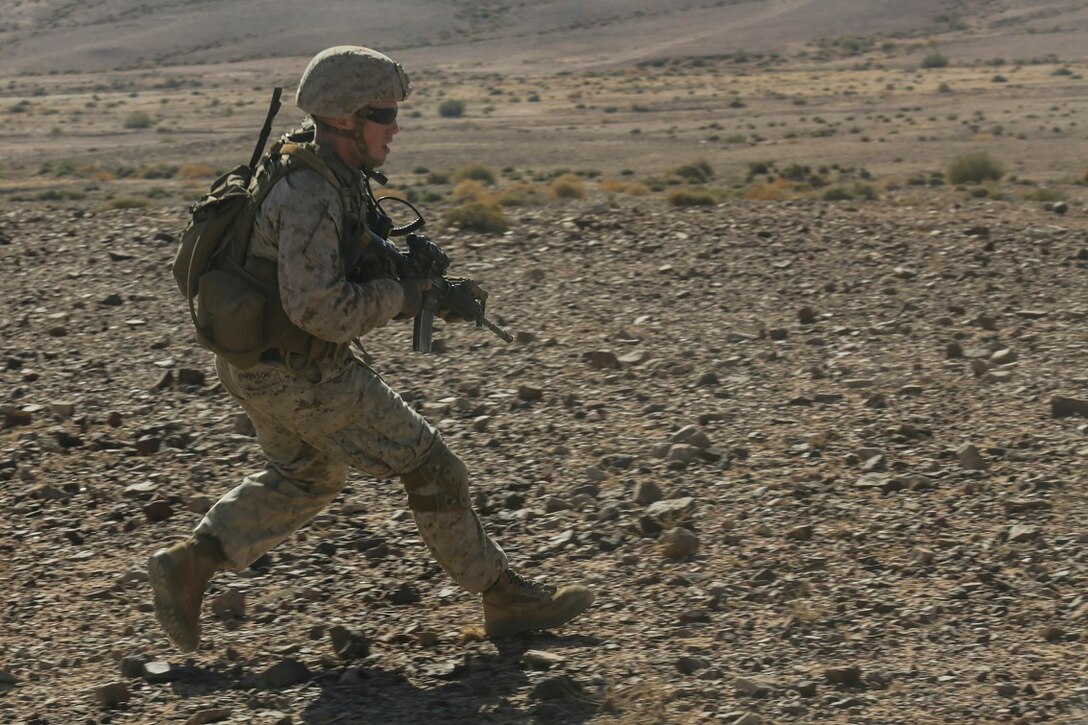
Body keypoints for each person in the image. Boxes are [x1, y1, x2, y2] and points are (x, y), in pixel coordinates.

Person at [148, 45, 594, 652]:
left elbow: (334, 269)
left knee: (307, 476)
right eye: (383, 113)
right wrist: (404, 297)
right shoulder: (308, 192)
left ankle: (191, 564)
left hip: (256, 366)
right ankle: (504, 598)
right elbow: (319, 310)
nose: (394, 126)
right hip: (303, 374)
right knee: (433, 468)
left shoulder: (314, 166)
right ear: (344, 119)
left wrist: (420, 282)